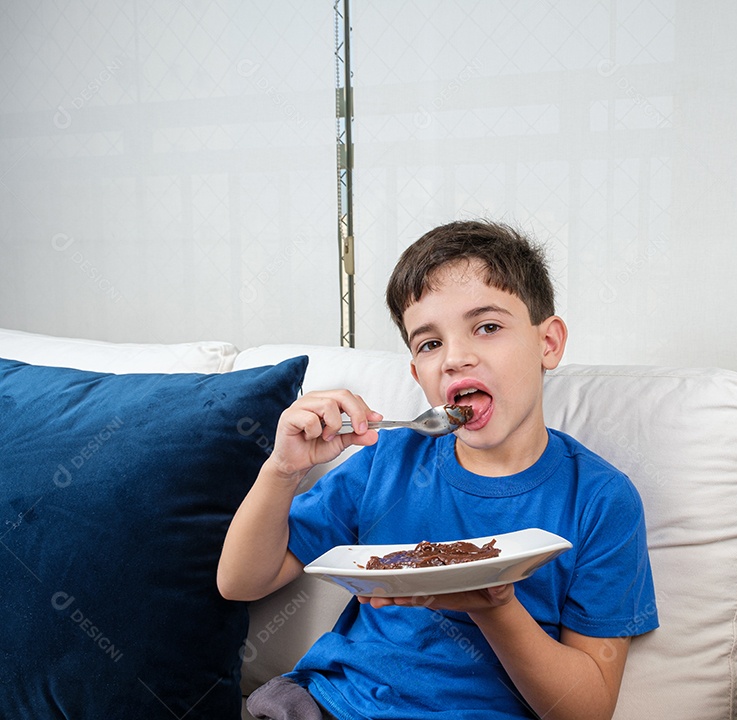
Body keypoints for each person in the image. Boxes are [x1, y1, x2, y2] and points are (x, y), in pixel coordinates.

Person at [218, 219, 658, 720]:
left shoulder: (599, 500)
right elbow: (240, 582)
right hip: (330, 704)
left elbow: (586, 711)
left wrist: (493, 605)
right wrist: (281, 470)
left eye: (487, 327)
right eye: (429, 343)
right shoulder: (388, 462)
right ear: (417, 374)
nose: (455, 358)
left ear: (548, 343)